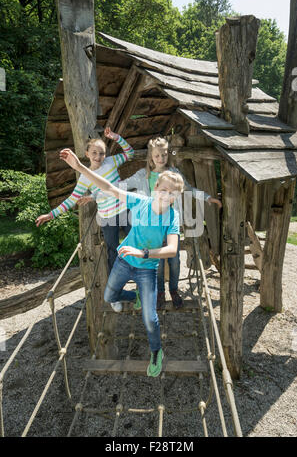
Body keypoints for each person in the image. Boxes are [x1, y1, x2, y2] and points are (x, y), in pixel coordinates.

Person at [60, 145, 184, 377]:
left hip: (146, 268)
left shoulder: (172, 216)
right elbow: (107, 186)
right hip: (125, 261)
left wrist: (143, 254)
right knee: (109, 296)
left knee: (150, 318)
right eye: (164, 190)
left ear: (176, 196)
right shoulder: (140, 202)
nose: (167, 195)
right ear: (156, 187)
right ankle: (133, 295)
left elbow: (172, 249)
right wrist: (79, 167)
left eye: (173, 193)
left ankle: (156, 351)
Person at [35, 127, 137, 303]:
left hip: (125, 210)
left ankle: (143, 280)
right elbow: (71, 200)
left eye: (102, 153)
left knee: (137, 241)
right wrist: (51, 214)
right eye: (95, 153)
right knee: (112, 251)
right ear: (87, 154)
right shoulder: (84, 177)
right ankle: (117, 292)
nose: (98, 157)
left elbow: (130, 152)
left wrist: (115, 137)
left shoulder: (111, 162)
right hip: (107, 218)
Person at [120, 136, 222, 309]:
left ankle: (174, 290)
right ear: (151, 157)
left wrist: (207, 198)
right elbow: (120, 185)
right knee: (158, 263)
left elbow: (188, 188)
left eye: (164, 155)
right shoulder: (142, 176)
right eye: (157, 155)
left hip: (170, 224)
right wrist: (98, 190)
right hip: (151, 226)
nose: (161, 159)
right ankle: (160, 293)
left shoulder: (174, 174)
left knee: (174, 261)